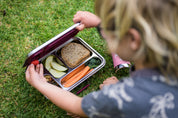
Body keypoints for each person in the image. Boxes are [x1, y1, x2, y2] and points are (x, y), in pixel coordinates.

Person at [25, 0, 178, 117]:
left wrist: (42, 85)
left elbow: (77, 105)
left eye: (108, 34)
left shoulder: (124, 97)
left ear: (133, 40)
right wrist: (100, 23)